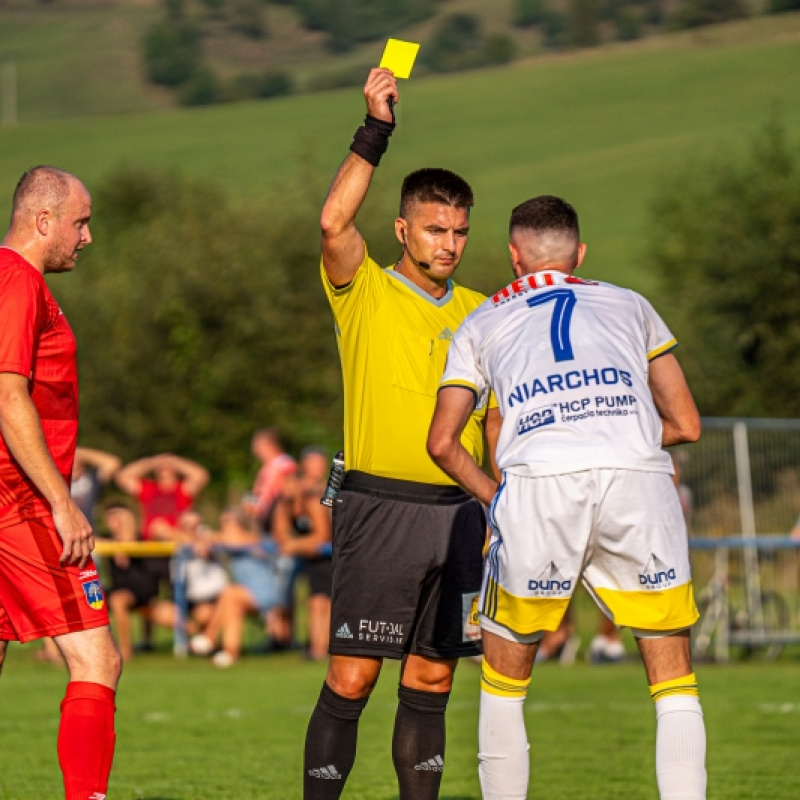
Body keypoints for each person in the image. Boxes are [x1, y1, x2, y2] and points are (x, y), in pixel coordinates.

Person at [427, 195, 706, 799]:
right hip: (637, 478)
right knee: (673, 679)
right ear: (579, 254)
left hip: (539, 485)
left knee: (505, 680)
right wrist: (616, 433)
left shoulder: (479, 323)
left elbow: (443, 441)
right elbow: (685, 424)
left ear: (512, 257)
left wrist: (494, 498)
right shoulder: (631, 305)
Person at [303, 68, 493, 800]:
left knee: (434, 675)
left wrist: (500, 497)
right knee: (353, 674)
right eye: (435, 230)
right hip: (379, 506)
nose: (448, 244)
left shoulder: (484, 311)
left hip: (461, 514)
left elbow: (498, 416)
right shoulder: (365, 288)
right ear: (403, 229)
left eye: (459, 232)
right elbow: (331, 224)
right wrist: (375, 129)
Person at [0, 165, 121, 799]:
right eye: (80, 221)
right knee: (98, 658)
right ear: (43, 221)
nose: (87, 236)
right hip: (19, 502)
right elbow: (9, 395)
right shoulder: (18, 279)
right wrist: (61, 503)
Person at [189, 506, 283, 667]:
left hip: (264, 594)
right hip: (244, 594)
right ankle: (230, 653)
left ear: (240, 523)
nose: (224, 525)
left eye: (227, 522)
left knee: (229, 593)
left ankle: (210, 636)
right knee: (232, 605)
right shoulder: (225, 542)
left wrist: (208, 537)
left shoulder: (252, 538)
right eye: (222, 522)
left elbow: (232, 541)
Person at [272, 446, 333, 661]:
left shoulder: (314, 500)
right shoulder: (285, 504)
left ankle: (319, 648)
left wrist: (295, 545)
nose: (285, 488)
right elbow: (280, 535)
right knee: (310, 601)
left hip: (328, 556)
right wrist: (296, 544)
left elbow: (323, 536)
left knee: (321, 602)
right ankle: (295, 642)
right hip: (311, 557)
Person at [103, 502, 176, 661]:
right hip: (118, 589)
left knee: (119, 599)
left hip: (142, 592)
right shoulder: (106, 541)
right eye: (111, 517)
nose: (115, 521)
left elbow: (156, 574)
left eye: (119, 517)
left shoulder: (142, 540)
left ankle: (126, 651)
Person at [248, 428, 298, 650]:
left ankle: (283, 636)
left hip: (280, 536)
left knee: (282, 587)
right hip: (267, 535)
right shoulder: (268, 468)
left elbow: (287, 495)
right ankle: (275, 635)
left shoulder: (284, 465)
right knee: (273, 585)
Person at [71, 445, 121, 524]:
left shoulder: (92, 478)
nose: (73, 461)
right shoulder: (57, 480)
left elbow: (113, 463)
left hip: (89, 529)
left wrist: (80, 452)